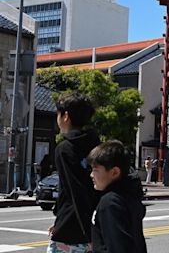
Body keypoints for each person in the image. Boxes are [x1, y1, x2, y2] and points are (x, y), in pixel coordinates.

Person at [48, 92, 100, 253]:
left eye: (58, 113)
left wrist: (63, 223)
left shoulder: (65, 148)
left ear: (66, 116)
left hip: (72, 230)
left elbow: (74, 190)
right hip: (92, 225)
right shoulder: (97, 145)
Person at [88, 140, 147, 253]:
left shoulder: (110, 203)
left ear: (114, 172)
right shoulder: (128, 196)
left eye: (95, 170)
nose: (91, 175)